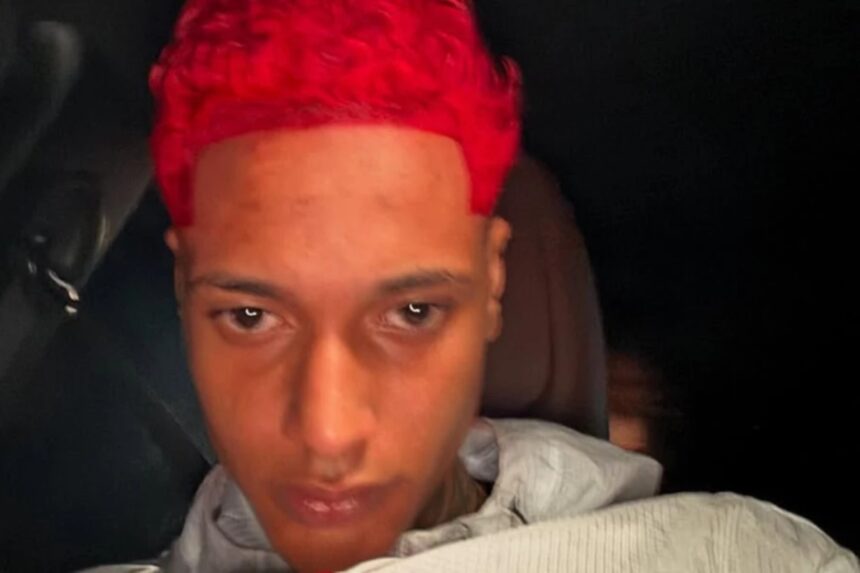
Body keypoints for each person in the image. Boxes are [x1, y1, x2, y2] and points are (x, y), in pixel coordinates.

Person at [85, 1, 858, 571]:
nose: (329, 434)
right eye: (252, 314)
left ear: (493, 284)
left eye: (412, 311)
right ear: (185, 291)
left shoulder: (743, 556)